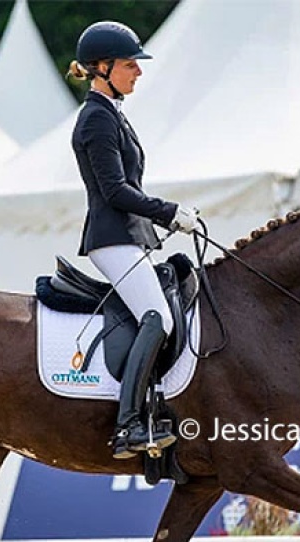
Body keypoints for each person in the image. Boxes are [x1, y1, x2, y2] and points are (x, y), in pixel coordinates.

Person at [67, 21, 199, 459]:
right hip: (112, 238)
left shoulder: (111, 114)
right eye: (129, 65)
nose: (138, 72)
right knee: (157, 317)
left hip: (129, 237)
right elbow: (115, 191)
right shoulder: (95, 120)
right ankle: (128, 425)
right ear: (101, 68)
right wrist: (170, 213)